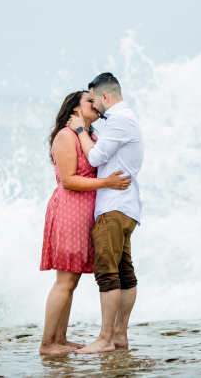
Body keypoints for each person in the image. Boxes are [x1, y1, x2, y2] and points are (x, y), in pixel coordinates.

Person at [39, 90, 132, 355]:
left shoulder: (90, 136)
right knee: (65, 281)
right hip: (70, 209)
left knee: (72, 279)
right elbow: (68, 180)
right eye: (89, 101)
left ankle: (60, 339)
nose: (96, 104)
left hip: (86, 211)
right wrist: (107, 182)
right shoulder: (66, 136)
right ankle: (47, 344)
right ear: (75, 109)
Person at [66, 72, 145, 354]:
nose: (95, 107)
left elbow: (95, 157)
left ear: (105, 97)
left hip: (114, 207)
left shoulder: (120, 120)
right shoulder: (124, 119)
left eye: (94, 100)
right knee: (124, 273)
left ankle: (105, 339)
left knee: (108, 274)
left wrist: (78, 130)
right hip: (125, 208)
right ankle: (120, 336)